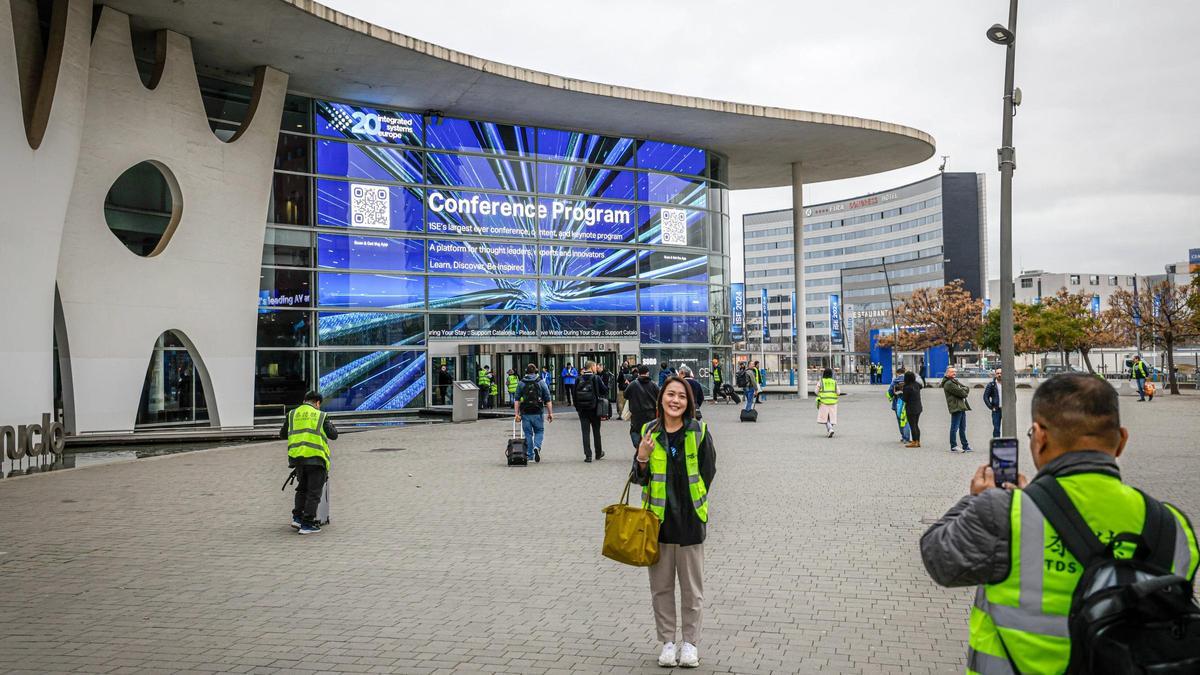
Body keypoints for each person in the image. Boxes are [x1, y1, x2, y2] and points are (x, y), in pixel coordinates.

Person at [919, 374, 1199, 674]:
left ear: (1040, 437)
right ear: (1121, 440)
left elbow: (939, 557)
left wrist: (977, 499)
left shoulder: (1005, 513)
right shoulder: (1173, 527)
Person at [632, 376, 717, 669]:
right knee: (661, 588)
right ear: (661, 399)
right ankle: (668, 643)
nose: (675, 400)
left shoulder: (698, 431)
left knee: (692, 589)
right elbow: (639, 478)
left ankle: (690, 643)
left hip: (691, 522)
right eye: (671, 394)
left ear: (688, 403)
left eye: (681, 396)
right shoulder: (649, 431)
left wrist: (696, 501)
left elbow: (708, 471)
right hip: (658, 522)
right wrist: (642, 458)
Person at [280, 390, 338, 535]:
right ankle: (307, 523)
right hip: (316, 458)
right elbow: (333, 435)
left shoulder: (292, 414)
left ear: (305, 400)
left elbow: (282, 434)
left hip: (297, 458)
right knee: (313, 492)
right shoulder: (321, 415)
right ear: (317, 403)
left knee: (302, 489)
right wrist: (332, 426)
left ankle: (297, 518)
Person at [514, 364, 553, 463]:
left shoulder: (521, 383)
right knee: (539, 431)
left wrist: (516, 414)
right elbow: (548, 399)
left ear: (526, 371)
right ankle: (537, 447)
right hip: (537, 411)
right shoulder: (540, 382)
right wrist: (550, 413)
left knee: (528, 434)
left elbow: (517, 399)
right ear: (535, 371)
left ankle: (530, 455)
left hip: (525, 412)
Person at [573, 361, 607, 462]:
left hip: (582, 410)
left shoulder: (578, 379)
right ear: (592, 367)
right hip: (594, 408)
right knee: (596, 431)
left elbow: (574, 394)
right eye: (595, 366)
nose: (596, 368)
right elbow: (604, 390)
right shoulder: (596, 378)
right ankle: (598, 453)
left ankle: (588, 455)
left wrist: (577, 408)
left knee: (585, 432)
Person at [625, 364, 659, 450]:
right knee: (650, 431)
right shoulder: (653, 385)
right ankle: (648, 447)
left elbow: (625, 395)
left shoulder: (632, 384)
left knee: (635, 431)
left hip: (637, 414)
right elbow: (659, 396)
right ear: (648, 373)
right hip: (651, 414)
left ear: (638, 373)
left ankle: (638, 446)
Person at [942, 365, 973, 453]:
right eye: (952, 372)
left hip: (961, 406)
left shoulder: (954, 381)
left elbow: (966, 388)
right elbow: (963, 393)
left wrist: (964, 389)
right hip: (956, 407)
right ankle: (953, 445)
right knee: (954, 427)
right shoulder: (949, 383)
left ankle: (965, 445)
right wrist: (964, 390)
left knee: (962, 428)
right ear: (947, 373)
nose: (954, 373)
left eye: (955, 372)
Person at [816, 367, 841, 438]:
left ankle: (830, 429)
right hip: (833, 402)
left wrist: (820, 394)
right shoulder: (834, 382)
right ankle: (830, 429)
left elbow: (816, 391)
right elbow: (838, 392)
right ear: (831, 374)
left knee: (825, 417)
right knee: (831, 417)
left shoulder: (821, 381)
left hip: (823, 402)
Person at [888, 366, 911, 443]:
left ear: (897, 373)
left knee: (900, 420)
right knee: (906, 420)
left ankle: (903, 436)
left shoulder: (895, 381)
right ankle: (907, 437)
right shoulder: (909, 380)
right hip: (907, 402)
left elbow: (890, 391)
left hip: (897, 403)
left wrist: (891, 397)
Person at [902, 371, 923, 448]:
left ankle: (914, 441)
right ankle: (918, 441)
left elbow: (904, 399)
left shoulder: (907, 387)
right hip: (918, 407)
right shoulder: (917, 384)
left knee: (912, 425)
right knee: (916, 425)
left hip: (911, 408)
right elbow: (921, 386)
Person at [983, 369, 1003, 438]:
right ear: (995, 374)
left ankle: (1007, 444)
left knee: (1008, 428)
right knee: (996, 428)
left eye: (1001, 373)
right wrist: (991, 407)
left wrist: (1011, 407)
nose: (999, 375)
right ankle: (997, 444)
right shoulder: (992, 385)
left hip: (1006, 410)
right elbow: (985, 397)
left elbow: (1013, 396)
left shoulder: (1007, 384)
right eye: (998, 373)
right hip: (996, 410)